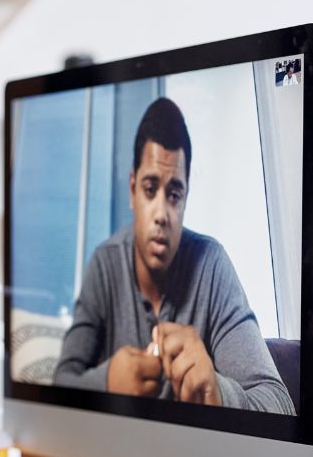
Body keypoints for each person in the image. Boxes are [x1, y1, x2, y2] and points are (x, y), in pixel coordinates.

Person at [53, 97, 294, 414]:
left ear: (186, 199)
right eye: (150, 189)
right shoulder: (105, 263)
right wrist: (107, 382)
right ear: (132, 190)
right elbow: (59, 386)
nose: (162, 214)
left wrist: (217, 391)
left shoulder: (212, 266)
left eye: (175, 195)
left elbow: (281, 404)